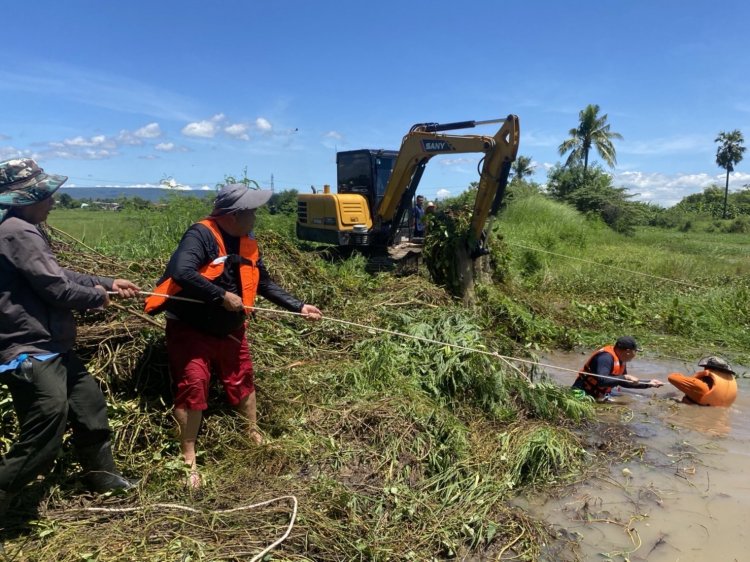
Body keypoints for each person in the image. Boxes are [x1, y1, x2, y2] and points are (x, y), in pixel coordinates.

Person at [144, 183, 322, 488]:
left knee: (242, 377)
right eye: (251, 211)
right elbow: (182, 271)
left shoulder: (246, 239)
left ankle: (251, 431)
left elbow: (262, 282)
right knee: (194, 385)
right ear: (233, 215)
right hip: (192, 328)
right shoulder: (201, 234)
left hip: (230, 328)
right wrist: (220, 295)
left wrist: (299, 306)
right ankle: (188, 458)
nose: (255, 216)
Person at [0, 158, 139, 519]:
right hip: (29, 345)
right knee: (49, 416)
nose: (52, 201)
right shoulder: (16, 231)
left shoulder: (27, 227)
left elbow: (57, 272)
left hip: (53, 343)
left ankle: (102, 478)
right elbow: (56, 289)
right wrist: (99, 298)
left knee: (89, 404)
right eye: (46, 195)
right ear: (25, 197)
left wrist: (107, 282)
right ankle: (5, 486)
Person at [572, 336, 664, 401]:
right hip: (582, 393)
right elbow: (602, 381)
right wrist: (624, 377)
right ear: (628, 351)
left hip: (598, 395)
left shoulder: (621, 359)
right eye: (635, 351)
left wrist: (649, 383)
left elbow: (624, 382)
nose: (635, 354)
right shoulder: (605, 358)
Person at [667, 356, 737, 407]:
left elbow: (672, 377)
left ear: (707, 369)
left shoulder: (700, 387)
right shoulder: (729, 388)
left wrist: (694, 377)